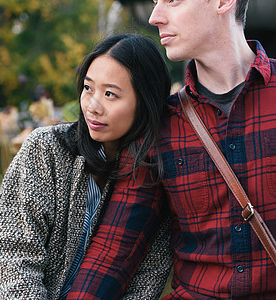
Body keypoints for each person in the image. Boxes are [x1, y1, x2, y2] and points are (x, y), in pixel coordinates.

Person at [0, 33, 172, 300]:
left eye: (110, 94)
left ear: (146, 101)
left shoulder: (155, 177)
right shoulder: (47, 149)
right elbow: (16, 258)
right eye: (88, 88)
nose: (92, 106)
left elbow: (148, 277)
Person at [68, 0, 276, 299]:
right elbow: (114, 251)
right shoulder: (160, 126)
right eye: (154, 3)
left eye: (172, 1)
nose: (155, 17)